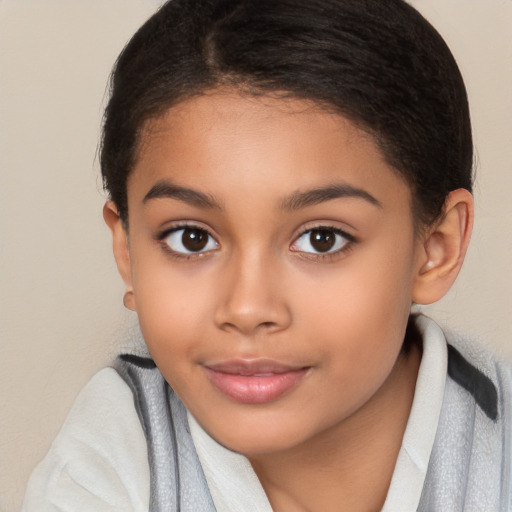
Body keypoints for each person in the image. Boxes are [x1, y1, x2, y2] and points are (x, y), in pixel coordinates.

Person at [22, 0, 511, 510]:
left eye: (322, 239)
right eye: (191, 238)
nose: (248, 308)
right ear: (127, 252)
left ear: (435, 248)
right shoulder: (111, 459)